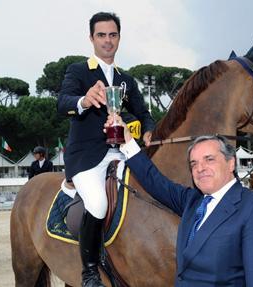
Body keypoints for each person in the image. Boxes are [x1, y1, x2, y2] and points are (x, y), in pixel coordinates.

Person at [105, 115, 253, 286]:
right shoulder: (193, 202)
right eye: (194, 163)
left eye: (209, 159)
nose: (200, 168)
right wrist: (127, 140)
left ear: (231, 163)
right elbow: (155, 181)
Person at [57, 12, 155, 287]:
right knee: (98, 203)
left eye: (113, 35)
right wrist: (84, 100)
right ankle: (89, 272)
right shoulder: (78, 71)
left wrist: (148, 129)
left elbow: (143, 112)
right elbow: (62, 101)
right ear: (92, 38)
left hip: (122, 151)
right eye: (101, 35)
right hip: (87, 157)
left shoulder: (127, 79)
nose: (107, 40)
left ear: (119, 38)